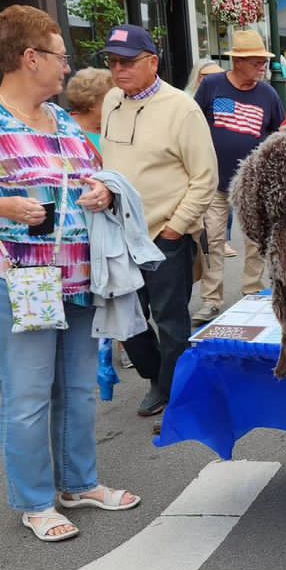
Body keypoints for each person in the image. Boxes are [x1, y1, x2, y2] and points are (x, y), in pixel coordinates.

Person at [0, 6, 140, 541]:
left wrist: (102, 190)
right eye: (60, 55)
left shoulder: (62, 123)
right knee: (27, 395)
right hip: (16, 278)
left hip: (75, 278)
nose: (66, 68)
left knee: (76, 388)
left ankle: (78, 483)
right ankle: (35, 500)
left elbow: (92, 178)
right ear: (31, 58)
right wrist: (2, 208)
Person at [99, 24, 217, 418]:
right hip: (119, 234)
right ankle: (157, 374)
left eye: (128, 62)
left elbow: (205, 178)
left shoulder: (182, 108)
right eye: (113, 62)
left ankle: (171, 388)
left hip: (163, 234)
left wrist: (175, 228)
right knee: (127, 321)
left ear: (153, 62)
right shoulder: (111, 101)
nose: (119, 70)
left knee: (170, 321)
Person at [191, 29, 283, 324]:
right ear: (238, 61)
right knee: (213, 241)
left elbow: (279, 133)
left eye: (263, 62)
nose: (262, 67)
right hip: (213, 181)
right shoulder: (213, 86)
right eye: (256, 62)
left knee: (255, 241)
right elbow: (191, 123)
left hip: (251, 183)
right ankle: (211, 299)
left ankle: (252, 294)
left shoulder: (268, 94)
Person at [63, 67, 115, 156]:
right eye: (111, 99)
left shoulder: (115, 129)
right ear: (92, 103)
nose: (117, 104)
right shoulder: (63, 129)